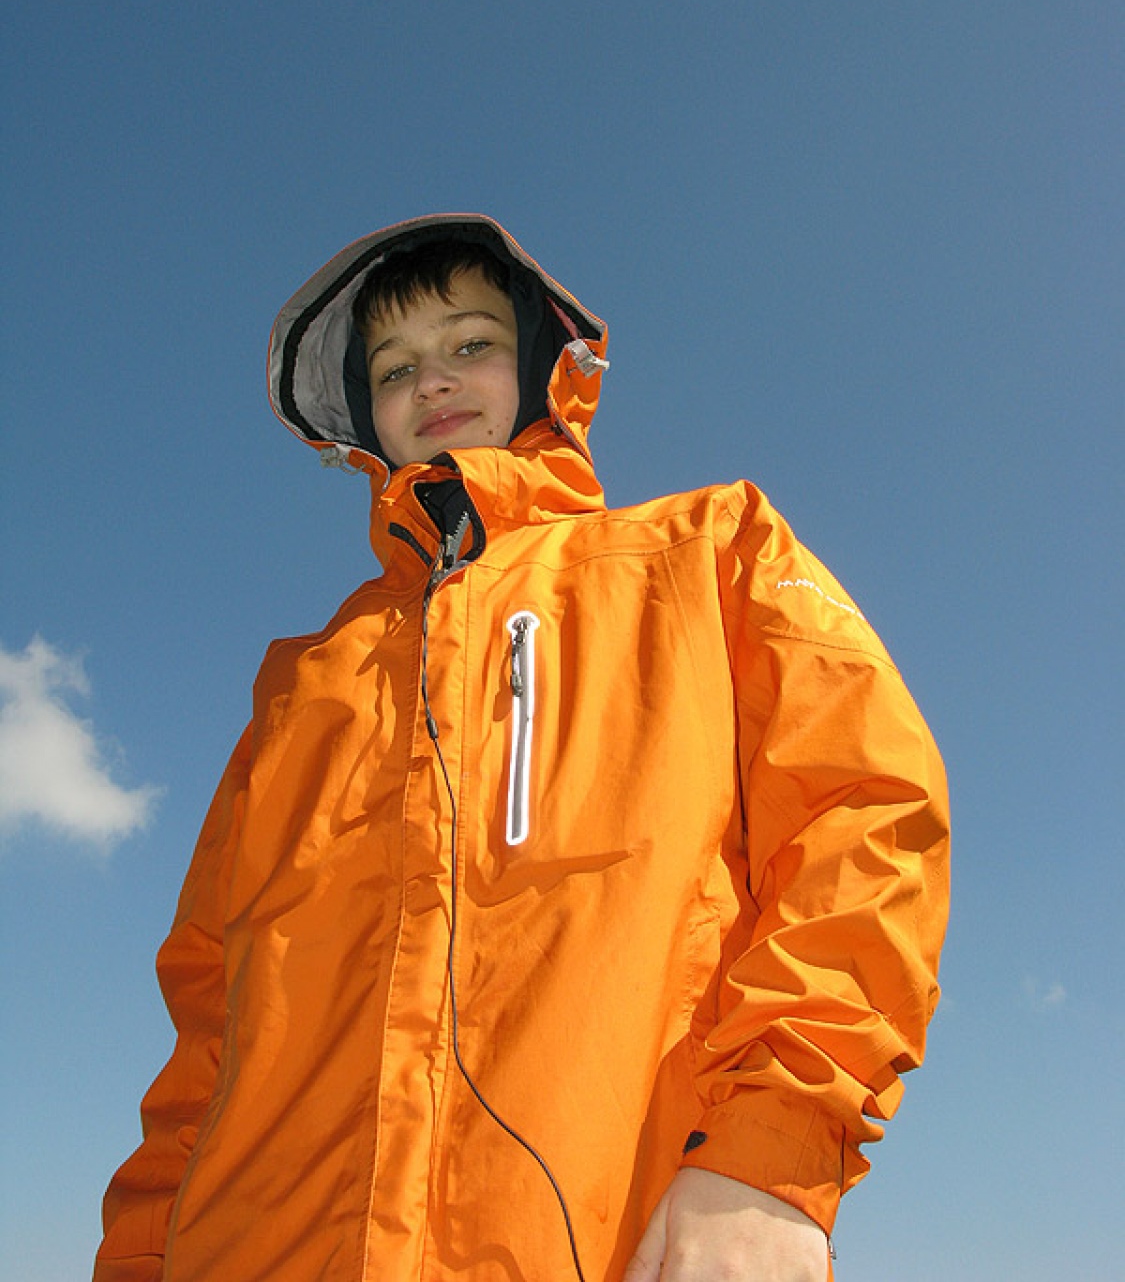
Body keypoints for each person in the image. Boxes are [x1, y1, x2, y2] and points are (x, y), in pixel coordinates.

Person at [95, 214, 949, 1282]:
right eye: (394, 364)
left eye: (470, 343)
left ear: (544, 363)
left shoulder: (712, 552)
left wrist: (768, 1163)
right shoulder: (298, 687)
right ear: (365, 412)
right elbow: (209, 1022)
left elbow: (865, 820)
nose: (433, 379)